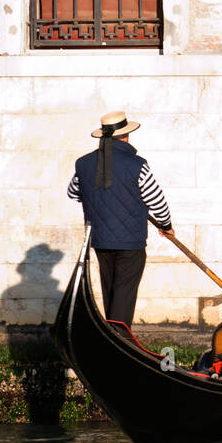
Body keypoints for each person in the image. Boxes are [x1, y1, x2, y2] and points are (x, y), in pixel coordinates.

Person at [67, 110, 172, 327]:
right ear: (125, 136)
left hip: (101, 240)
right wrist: (166, 225)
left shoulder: (83, 163)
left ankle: (112, 336)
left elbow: (73, 193)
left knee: (111, 292)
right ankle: (119, 341)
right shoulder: (137, 164)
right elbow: (157, 201)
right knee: (124, 294)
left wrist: (97, 199)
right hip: (130, 243)